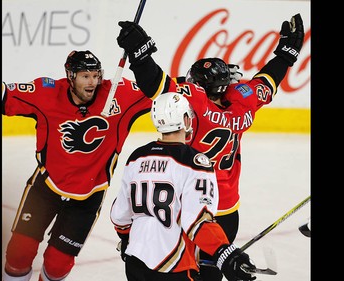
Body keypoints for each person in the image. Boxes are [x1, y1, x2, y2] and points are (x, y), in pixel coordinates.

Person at [114, 13, 305, 280]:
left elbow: (156, 84)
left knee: (185, 272)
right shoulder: (244, 100)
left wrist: (140, 53)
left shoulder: (195, 102)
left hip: (193, 208)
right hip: (227, 210)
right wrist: (287, 54)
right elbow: (268, 79)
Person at [2, 50, 153, 281]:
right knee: (18, 255)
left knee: (57, 266)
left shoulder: (118, 94)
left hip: (88, 196)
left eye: (96, 75)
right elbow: (5, 95)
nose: (92, 82)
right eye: (85, 76)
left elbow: (162, 88)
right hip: (46, 187)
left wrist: (142, 54)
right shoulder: (47, 93)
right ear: (70, 77)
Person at [110, 92, 257, 281]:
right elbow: (198, 223)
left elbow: (119, 215)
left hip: (135, 263)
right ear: (186, 119)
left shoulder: (137, 157)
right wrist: (226, 254)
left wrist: (126, 239)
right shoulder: (196, 161)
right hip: (174, 266)